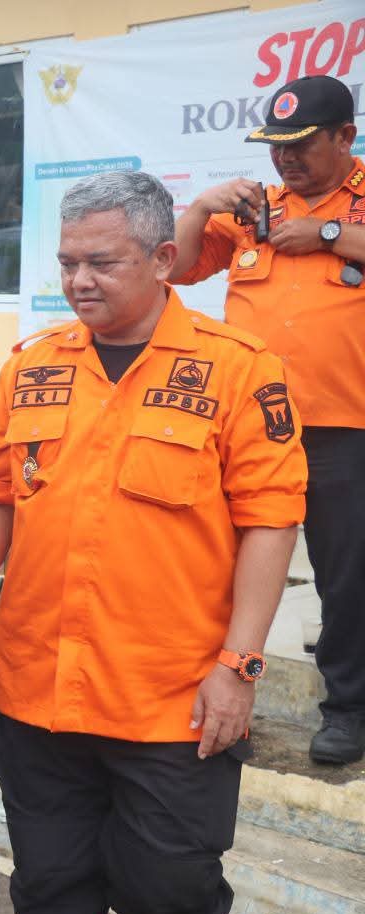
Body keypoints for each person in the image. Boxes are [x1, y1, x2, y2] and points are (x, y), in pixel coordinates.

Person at [0, 171, 306, 914]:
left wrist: (241, 664)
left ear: (165, 259)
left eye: (101, 262)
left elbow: (272, 520)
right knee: (52, 871)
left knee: (172, 878)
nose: (79, 280)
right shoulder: (33, 364)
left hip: (171, 693)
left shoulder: (237, 369)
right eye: (68, 262)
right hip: (39, 682)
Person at [170, 74, 365, 766]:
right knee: (223, 567)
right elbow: (174, 266)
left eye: (301, 145)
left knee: (346, 577)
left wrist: (330, 234)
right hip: (249, 425)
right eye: (276, 146)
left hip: (344, 427)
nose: (285, 159)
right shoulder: (255, 207)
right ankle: (222, 705)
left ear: (345, 137)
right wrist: (201, 206)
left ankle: (348, 712)